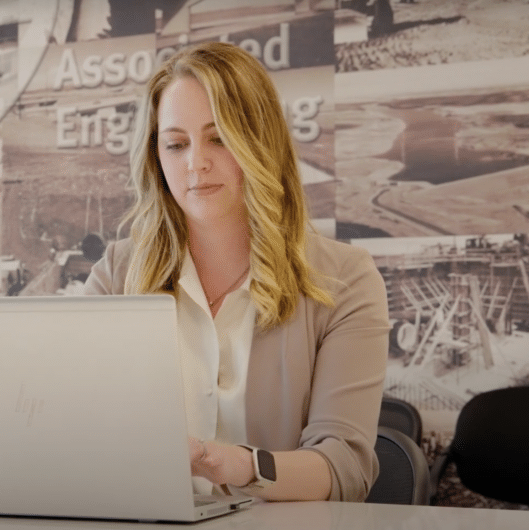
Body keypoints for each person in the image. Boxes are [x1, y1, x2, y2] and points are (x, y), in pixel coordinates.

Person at [82, 41, 389, 502]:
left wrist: (240, 466)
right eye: (176, 144)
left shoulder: (346, 280)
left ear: (259, 141)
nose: (195, 163)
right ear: (156, 156)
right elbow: (70, 429)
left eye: (219, 137)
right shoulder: (115, 275)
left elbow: (344, 468)